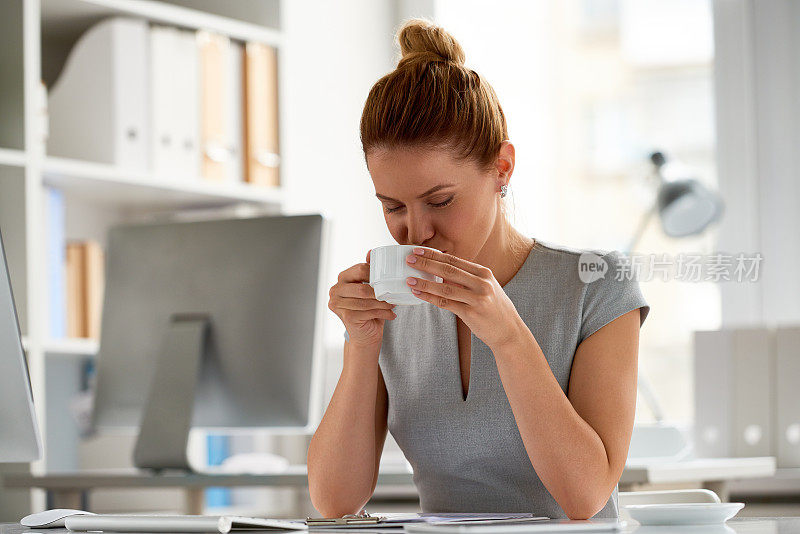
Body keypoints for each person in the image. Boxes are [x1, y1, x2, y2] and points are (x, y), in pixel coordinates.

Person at [308, 18, 649, 521]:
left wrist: (509, 337)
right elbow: (335, 501)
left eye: (440, 200)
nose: (415, 231)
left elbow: (585, 496)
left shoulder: (596, 286)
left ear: (502, 168)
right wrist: (361, 344)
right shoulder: (396, 304)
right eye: (393, 206)